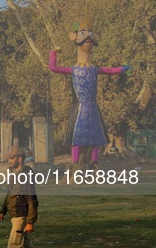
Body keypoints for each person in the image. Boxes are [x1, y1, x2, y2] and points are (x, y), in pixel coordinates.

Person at [49, 18, 129, 165]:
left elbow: (110, 71)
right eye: (83, 32)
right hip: (79, 107)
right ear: (74, 37)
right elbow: (53, 68)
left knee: (95, 136)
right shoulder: (74, 69)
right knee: (76, 136)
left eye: (90, 33)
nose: (88, 36)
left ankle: (94, 162)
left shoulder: (94, 69)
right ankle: (75, 162)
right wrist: (54, 52)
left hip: (93, 107)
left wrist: (121, 69)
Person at [0, 145, 55, 248]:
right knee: (27, 247)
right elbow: (9, 194)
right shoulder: (14, 173)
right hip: (15, 215)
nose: (9, 160)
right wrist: (2, 210)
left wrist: (30, 221)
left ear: (20, 159)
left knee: (13, 247)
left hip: (21, 216)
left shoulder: (26, 175)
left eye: (11, 158)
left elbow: (31, 199)